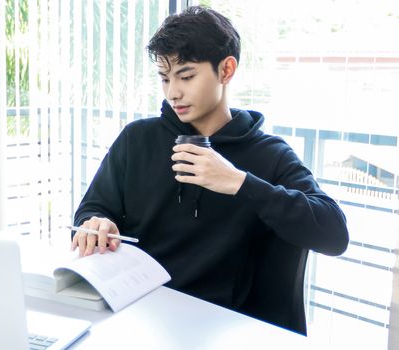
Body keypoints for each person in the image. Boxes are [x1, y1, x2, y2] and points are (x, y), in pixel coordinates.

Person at [71, 5, 349, 335]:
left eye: (186, 76)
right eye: (165, 78)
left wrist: (237, 181)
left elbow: (334, 235)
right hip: (139, 318)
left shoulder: (270, 155)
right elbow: (91, 210)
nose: (173, 92)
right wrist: (95, 223)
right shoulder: (137, 139)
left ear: (226, 70)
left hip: (225, 330)